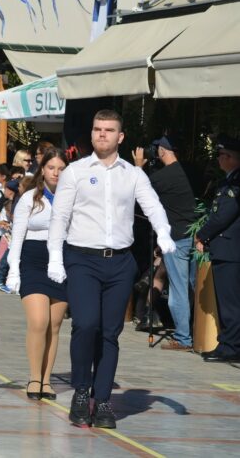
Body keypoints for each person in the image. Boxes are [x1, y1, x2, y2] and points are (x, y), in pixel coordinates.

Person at [47, 109, 176, 429]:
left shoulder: (133, 174)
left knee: (109, 332)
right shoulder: (75, 172)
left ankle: (102, 399)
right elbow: (59, 217)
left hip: (119, 262)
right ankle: (81, 392)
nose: (102, 134)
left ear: (120, 136)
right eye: (97, 129)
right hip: (82, 258)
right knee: (86, 324)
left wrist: (163, 233)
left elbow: (153, 206)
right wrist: (55, 258)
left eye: (108, 129)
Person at [7, 149, 69, 400]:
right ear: (42, 169)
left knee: (54, 325)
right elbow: (17, 235)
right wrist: (13, 269)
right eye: (51, 167)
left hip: (61, 260)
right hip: (33, 260)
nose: (56, 173)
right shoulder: (30, 197)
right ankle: (34, 377)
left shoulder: (72, 197)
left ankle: (46, 380)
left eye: (61, 168)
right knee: (39, 321)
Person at [132, 136, 197, 351]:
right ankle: (195, 333)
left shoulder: (165, 175)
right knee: (189, 287)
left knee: (178, 291)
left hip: (177, 239)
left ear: (162, 151)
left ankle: (183, 338)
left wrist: (138, 167)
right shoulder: (185, 171)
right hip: (190, 235)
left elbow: (139, 190)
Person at [196, 135, 240, 363]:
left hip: (231, 250)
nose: (219, 159)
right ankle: (228, 343)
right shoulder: (227, 181)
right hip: (225, 248)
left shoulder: (236, 183)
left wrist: (202, 234)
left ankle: (231, 347)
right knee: (227, 301)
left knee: (230, 302)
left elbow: (224, 215)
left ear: (232, 158)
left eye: (223, 155)